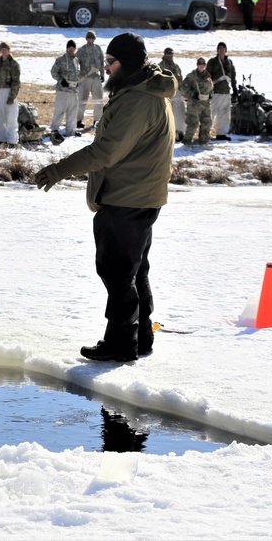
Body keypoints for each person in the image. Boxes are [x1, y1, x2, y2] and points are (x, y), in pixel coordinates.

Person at [34, 32, 176, 362]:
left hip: (129, 198)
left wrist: (59, 169)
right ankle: (140, 338)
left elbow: (106, 151)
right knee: (133, 271)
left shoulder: (139, 101)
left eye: (110, 62)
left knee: (117, 273)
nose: (106, 69)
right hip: (137, 195)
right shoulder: (140, 90)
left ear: (125, 64)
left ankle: (121, 344)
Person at [50, 39, 81, 139]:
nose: (71, 49)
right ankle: (54, 130)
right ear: (67, 48)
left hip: (73, 91)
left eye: (73, 47)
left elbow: (77, 74)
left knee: (72, 112)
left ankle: (71, 131)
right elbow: (54, 72)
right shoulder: (61, 60)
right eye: (69, 47)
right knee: (59, 111)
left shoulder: (76, 60)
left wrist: (77, 83)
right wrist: (61, 80)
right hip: (63, 90)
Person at [205, 42, 236, 141]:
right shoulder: (212, 62)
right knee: (211, 113)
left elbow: (233, 76)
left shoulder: (229, 62)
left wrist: (235, 89)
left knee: (225, 114)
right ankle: (205, 133)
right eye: (220, 49)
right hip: (215, 91)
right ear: (217, 51)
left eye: (223, 48)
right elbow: (207, 76)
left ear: (226, 50)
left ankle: (221, 133)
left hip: (226, 92)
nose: (221, 50)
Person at [75, 30, 105, 129]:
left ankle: (97, 120)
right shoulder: (82, 50)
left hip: (96, 78)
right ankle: (78, 120)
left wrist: (102, 75)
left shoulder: (98, 49)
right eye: (89, 38)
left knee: (98, 100)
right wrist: (77, 76)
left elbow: (101, 62)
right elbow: (75, 63)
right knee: (82, 100)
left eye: (92, 38)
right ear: (86, 39)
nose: (91, 40)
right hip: (85, 78)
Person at [181, 58, 214, 146]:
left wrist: (210, 95)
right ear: (197, 65)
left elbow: (211, 88)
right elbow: (183, 89)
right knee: (193, 123)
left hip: (205, 104)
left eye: (203, 64)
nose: (201, 66)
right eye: (200, 64)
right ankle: (187, 142)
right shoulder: (191, 76)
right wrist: (193, 95)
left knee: (207, 122)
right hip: (194, 104)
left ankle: (204, 141)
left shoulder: (208, 77)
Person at [158, 47, 186, 142]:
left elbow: (180, 79)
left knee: (179, 113)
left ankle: (180, 133)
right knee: (165, 115)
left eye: (171, 54)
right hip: (165, 93)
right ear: (164, 54)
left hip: (177, 92)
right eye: (168, 54)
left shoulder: (176, 66)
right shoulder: (160, 66)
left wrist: (183, 92)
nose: (169, 56)